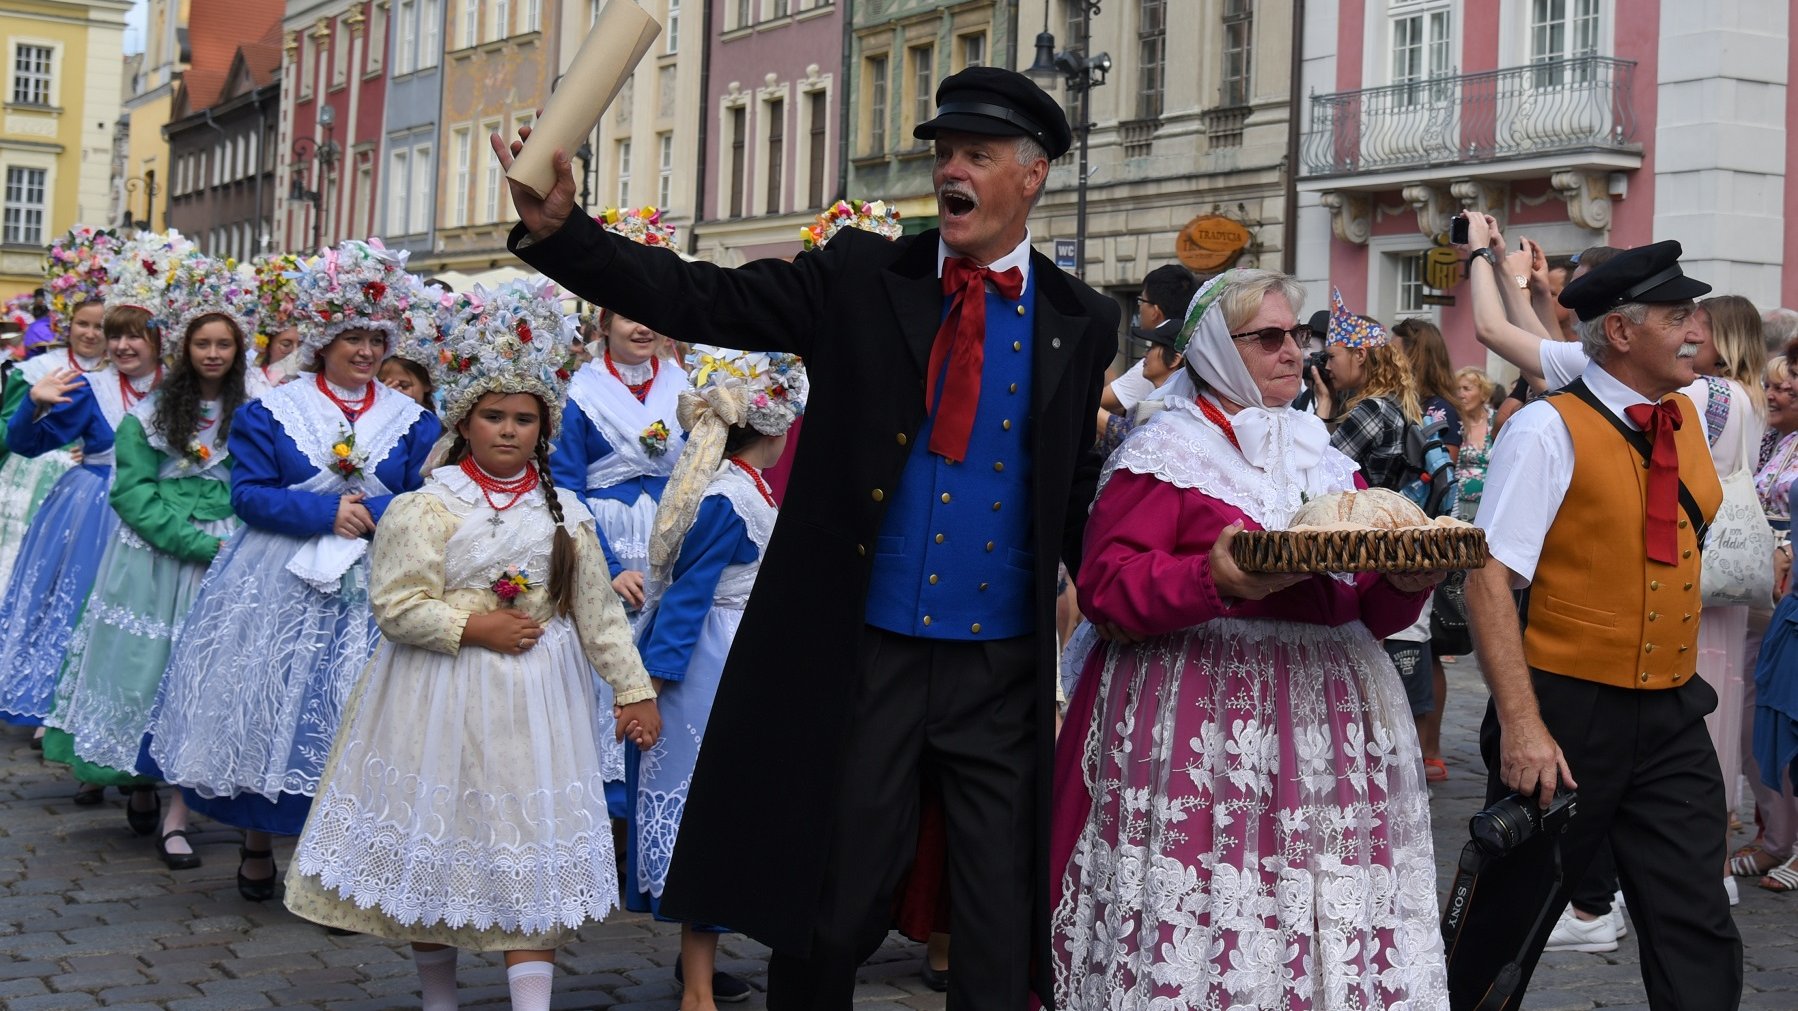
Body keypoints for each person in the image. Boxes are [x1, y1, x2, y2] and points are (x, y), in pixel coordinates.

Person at [494, 64, 1117, 1009]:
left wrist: (1147, 583)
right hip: (870, 654)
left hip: (1001, 671)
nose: (951, 170)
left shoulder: (1083, 318)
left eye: (977, 156)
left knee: (998, 922)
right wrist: (564, 235)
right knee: (834, 905)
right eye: (944, 152)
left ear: (1030, 176)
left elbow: (1074, 489)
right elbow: (703, 298)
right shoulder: (863, 275)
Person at [1050, 269, 1448, 1007]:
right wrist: (1214, 579)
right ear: (1215, 349)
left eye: (1296, 336)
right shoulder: (1166, 449)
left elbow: (1362, 607)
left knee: (1311, 901)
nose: (1294, 351)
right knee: (1212, 903)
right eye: (1268, 337)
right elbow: (1107, 587)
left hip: (1327, 724)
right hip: (1205, 719)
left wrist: (1408, 574)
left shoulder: (1324, 455)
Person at [284, 278, 658, 1011]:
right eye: (494, 417)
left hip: (537, 706)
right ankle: (438, 997)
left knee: (528, 837)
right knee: (444, 833)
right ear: (465, 422)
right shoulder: (428, 504)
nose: (510, 431)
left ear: (542, 430)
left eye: (524, 419)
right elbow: (394, 604)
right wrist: (472, 624)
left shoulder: (569, 513)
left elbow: (597, 615)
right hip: (437, 693)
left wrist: (632, 686)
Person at [1448, 240, 1741, 1010]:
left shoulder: (1684, 414)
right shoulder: (1545, 431)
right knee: (1507, 925)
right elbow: (1487, 578)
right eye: (1679, 316)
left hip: (1672, 707)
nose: (1695, 333)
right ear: (1620, 332)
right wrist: (1520, 723)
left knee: (1697, 922)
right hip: (1566, 712)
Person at [144, 240, 441, 901]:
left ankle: (341, 857)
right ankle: (256, 840)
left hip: (374, 576)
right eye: (352, 338)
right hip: (282, 577)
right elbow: (247, 494)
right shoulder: (270, 409)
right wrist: (322, 514)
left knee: (355, 708)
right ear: (324, 339)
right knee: (274, 698)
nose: (364, 352)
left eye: (374, 339)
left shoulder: (415, 420)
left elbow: (433, 487)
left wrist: (373, 511)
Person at [40, 255, 253, 867]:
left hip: (229, 553)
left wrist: (238, 541)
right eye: (202, 343)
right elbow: (131, 492)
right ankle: (136, 777)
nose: (212, 354)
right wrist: (193, 541)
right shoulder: (149, 414)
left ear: (238, 351)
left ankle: (179, 809)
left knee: (204, 676)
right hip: (155, 559)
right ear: (182, 347)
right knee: (144, 668)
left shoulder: (255, 411)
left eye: (224, 344)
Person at [626, 350, 807, 1011]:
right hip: (710, 664)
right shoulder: (730, 497)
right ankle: (696, 988)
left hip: (737, 655)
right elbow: (688, 595)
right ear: (775, 428)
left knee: (723, 804)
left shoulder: (745, 486)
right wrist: (656, 680)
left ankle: (700, 974)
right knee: (703, 805)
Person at [0, 232, 181, 733]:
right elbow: (28, 444)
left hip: (164, 511)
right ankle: (69, 720)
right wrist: (34, 404)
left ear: (159, 339)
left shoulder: (180, 392)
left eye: (133, 335)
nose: (121, 345)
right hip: (94, 509)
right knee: (82, 605)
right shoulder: (87, 387)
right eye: (113, 334)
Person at [0, 228, 121, 591]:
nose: (90, 334)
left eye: (100, 327)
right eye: (82, 324)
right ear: (68, 325)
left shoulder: (120, 374)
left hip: (97, 485)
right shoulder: (37, 370)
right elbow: (8, 429)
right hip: (33, 477)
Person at [1737, 351, 1798, 890]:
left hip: (1788, 594)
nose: (1774, 396)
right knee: (1763, 720)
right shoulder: (1774, 441)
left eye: (1788, 390)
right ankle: (1776, 836)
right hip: (1766, 594)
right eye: (1771, 386)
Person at [1102, 263, 1195, 415]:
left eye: (1141, 301)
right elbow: (1121, 407)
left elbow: (1096, 403)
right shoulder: (1188, 343)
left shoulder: (1153, 365)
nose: (1146, 354)